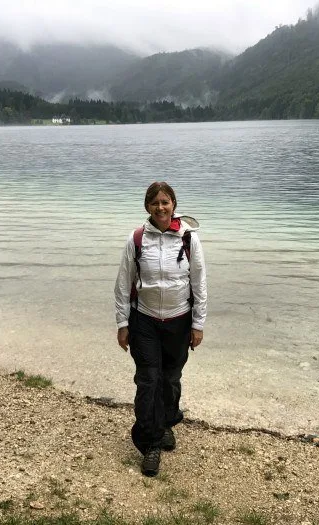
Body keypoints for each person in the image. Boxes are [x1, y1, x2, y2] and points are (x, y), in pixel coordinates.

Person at [114, 181, 207, 477]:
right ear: (147, 207)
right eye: (155, 203)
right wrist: (122, 323)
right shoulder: (137, 238)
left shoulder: (189, 239)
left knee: (170, 378)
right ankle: (150, 441)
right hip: (145, 321)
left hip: (179, 321)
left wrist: (198, 323)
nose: (160, 207)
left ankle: (166, 420)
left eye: (165, 202)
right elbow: (122, 284)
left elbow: (199, 284)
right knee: (148, 381)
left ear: (174, 205)